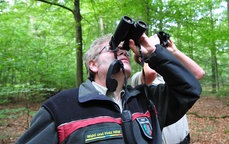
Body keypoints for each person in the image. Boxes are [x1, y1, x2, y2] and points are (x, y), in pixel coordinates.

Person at [16, 33, 202, 144]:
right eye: (112, 48)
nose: (122, 52)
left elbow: (189, 89)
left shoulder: (146, 100)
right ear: (93, 65)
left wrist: (155, 54)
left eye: (125, 51)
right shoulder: (61, 107)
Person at [131, 37, 205, 144]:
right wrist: (148, 53)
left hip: (184, 139)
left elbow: (198, 74)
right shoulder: (138, 78)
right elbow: (150, 73)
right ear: (141, 59)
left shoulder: (173, 78)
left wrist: (175, 52)